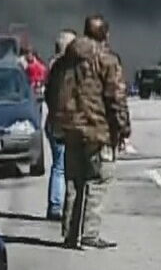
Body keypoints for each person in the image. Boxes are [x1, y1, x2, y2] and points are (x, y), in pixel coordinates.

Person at [51, 14, 130, 250]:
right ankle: (89, 233)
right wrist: (123, 129)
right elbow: (116, 98)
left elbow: (51, 90)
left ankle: (70, 233)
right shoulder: (107, 60)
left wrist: (56, 120)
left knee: (74, 180)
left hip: (70, 129)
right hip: (98, 130)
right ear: (105, 35)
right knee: (98, 179)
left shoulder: (66, 60)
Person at [44, 29, 77, 221]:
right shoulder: (66, 69)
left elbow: (49, 97)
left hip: (53, 122)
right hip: (64, 124)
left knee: (58, 166)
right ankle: (60, 206)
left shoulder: (52, 67)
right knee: (64, 167)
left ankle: (56, 204)